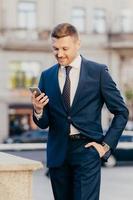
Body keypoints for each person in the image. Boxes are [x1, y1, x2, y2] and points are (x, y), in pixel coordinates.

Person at [31, 23, 129, 200]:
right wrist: (38, 110)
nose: (59, 54)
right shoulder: (47, 76)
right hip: (57, 154)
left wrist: (105, 146)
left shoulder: (98, 72)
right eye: (55, 49)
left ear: (78, 44)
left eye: (64, 48)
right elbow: (44, 122)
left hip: (87, 151)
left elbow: (121, 112)